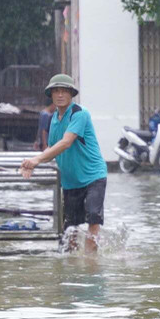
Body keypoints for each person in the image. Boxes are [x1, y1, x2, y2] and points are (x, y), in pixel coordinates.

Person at [20, 74, 108, 253]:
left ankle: (91, 268)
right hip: (70, 181)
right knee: (71, 229)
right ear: (51, 95)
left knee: (93, 221)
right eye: (56, 91)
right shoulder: (53, 118)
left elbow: (66, 142)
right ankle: (72, 268)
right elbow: (52, 147)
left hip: (93, 176)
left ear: (71, 94)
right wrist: (30, 164)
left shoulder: (79, 113)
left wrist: (36, 160)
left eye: (64, 91)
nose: (60, 95)